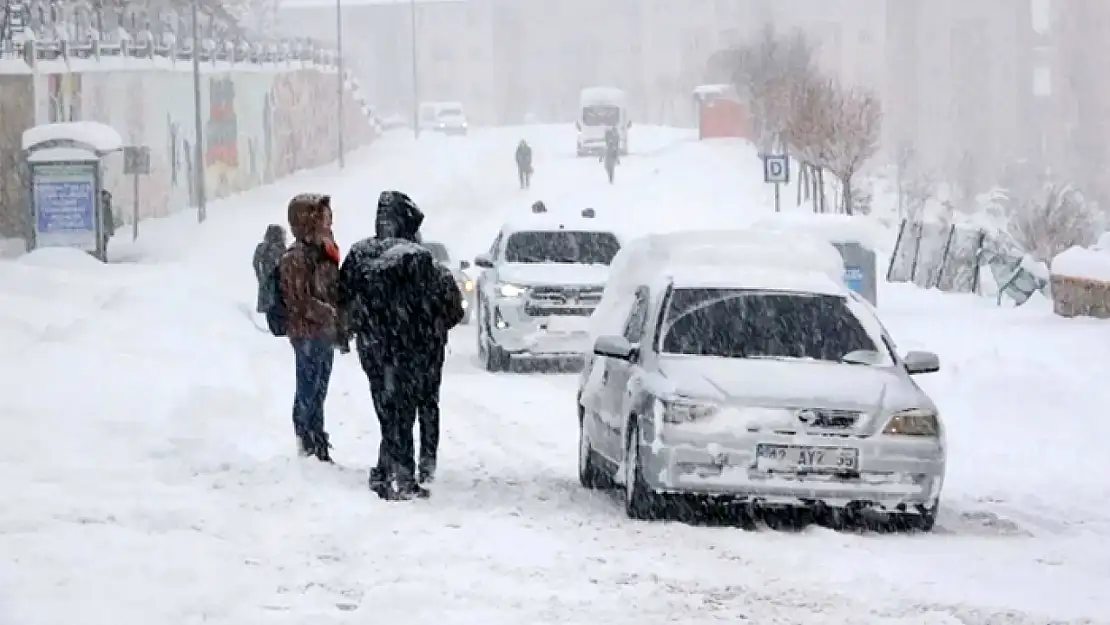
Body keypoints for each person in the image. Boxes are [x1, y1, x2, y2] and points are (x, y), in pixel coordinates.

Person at [338, 190, 464, 500]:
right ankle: (404, 474)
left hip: (373, 345)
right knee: (409, 409)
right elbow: (446, 308)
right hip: (410, 347)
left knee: (386, 407)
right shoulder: (421, 260)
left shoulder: (360, 253)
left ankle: (386, 469)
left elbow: (342, 295)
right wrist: (428, 330)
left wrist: (357, 327)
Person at [279, 193, 343, 462]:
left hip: (323, 333)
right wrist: (329, 313)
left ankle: (317, 438)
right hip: (307, 333)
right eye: (323, 217)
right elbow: (299, 300)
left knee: (319, 389)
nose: (329, 222)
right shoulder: (296, 257)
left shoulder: (323, 251)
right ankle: (307, 441)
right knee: (308, 388)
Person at [253, 224, 287, 314]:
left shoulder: (263, 247)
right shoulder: (281, 249)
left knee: (267, 306)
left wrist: (260, 276)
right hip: (275, 283)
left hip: (269, 281)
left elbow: (256, 262)